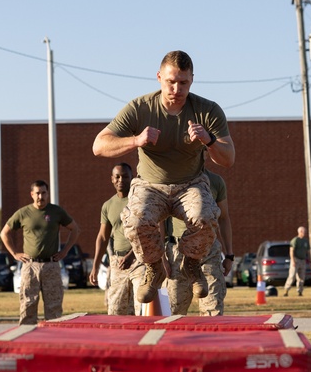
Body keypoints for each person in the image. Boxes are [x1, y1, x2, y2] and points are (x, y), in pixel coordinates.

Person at [92, 50, 235, 305]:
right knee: (134, 221)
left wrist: (209, 140)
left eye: (183, 82)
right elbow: (99, 145)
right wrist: (137, 140)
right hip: (151, 185)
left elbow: (228, 158)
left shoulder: (207, 110)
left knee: (206, 215)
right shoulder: (140, 108)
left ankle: (191, 263)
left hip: (190, 183)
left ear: (192, 80)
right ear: (159, 77)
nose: (177, 89)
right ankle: (153, 266)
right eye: (171, 81)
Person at [0, 180, 80, 325]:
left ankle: (52, 343)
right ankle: (26, 342)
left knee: (54, 308)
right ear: (32, 194)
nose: (40, 196)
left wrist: (65, 251)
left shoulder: (56, 212)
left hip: (51, 265)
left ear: (47, 194)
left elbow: (75, 229)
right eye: (37, 193)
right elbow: (4, 233)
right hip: (30, 266)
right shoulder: (23, 213)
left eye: (43, 193)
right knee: (28, 306)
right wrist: (14, 253)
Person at [165, 168, 233, 316]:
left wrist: (229, 255)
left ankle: (209, 339)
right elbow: (160, 219)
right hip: (178, 253)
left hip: (208, 251)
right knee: (173, 311)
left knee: (212, 310)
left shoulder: (215, 181)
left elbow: (224, 218)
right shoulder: (172, 178)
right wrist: (161, 257)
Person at [90, 163, 136, 315]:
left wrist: (132, 255)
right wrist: (95, 266)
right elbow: (103, 237)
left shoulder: (141, 201)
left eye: (125, 176)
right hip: (118, 263)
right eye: (117, 176)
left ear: (132, 178)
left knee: (141, 308)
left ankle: (145, 338)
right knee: (116, 311)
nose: (121, 180)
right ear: (112, 179)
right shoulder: (108, 205)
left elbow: (151, 233)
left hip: (140, 261)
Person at [283, 226, 309, 297]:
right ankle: (286, 290)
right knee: (292, 275)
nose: (304, 233)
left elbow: (307, 250)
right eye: (303, 231)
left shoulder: (305, 241)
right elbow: (291, 250)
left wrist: (308, 259)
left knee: (301, 277)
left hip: (302, 260)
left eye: (305, 232)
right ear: (300, 232)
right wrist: (293, 260)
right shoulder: (295, 240)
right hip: (296, 259)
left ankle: (300, 291)